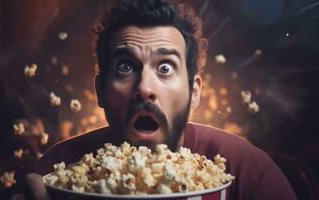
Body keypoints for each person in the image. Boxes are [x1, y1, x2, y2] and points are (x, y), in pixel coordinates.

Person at [24, 0, 297, 199]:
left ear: (194, 92)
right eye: (125, 67)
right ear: (101, 91)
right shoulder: (57, 171)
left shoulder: (246, 172)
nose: (144, 88)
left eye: (165, 67)